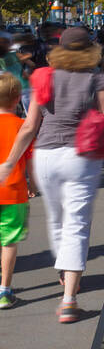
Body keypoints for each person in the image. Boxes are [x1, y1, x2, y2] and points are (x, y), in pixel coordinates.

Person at [0, 26, 104, 323]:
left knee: (57, 219)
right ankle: (69, 300)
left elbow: (29, 126)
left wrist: (10, 163)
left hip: (46, 156)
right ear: (89, 49)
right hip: (81, 156)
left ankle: (64, 270)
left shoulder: (44, 77)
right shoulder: (97, 78)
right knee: (77, 223)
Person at [0, 74, 33, 309]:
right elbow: (30, 161)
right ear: (17, 98)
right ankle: (4, 290)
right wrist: (32, 184)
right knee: (9, 241)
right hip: (13, 191)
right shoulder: (22, 127)